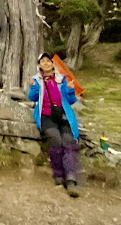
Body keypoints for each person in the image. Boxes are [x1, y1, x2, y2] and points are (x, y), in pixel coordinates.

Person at [29, 52, 82, 197]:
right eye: (42, 62)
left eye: (48, 61)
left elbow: (71, 101)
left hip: (62, 115)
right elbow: (32, 97)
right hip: (46, 116)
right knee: (55, 138)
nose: (46, 64)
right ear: (39, 65)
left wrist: (70, 90)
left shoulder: (62, 79)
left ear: (52, 64)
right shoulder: (37, 80)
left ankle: (71, 178)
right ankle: (58, 174)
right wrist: (33, 87)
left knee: (69, 141)